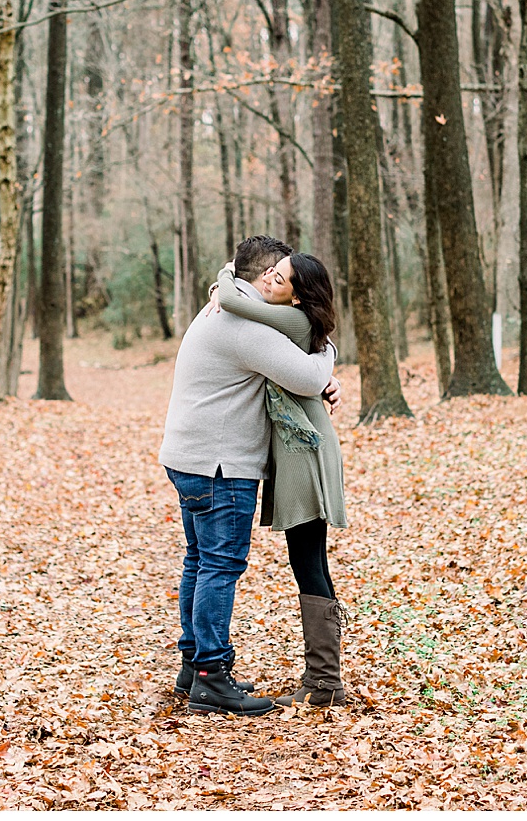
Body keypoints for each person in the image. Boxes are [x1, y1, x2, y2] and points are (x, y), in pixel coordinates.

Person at [157, 235, 341, 717]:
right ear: (261, 279)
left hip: (188, 456)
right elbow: (304, 376)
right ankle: (211, 677)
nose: (282, 280)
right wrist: (329, 360)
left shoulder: (222, 306)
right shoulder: (243, 323)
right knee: (219, 565)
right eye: (277, 273)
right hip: (219, 464)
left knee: (199, 561)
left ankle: (193, 665)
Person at [211, 251, 349, 707]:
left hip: (305, 453)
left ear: (298, 295)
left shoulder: (290, 320)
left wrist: (226, 274)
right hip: (304, 446)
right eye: (271, 271)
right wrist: (328, 371)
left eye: (281, 277)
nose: (270, 279)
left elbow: (234, 300)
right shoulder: (297, 325)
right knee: (308, 559)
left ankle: (326, 682)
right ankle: (324, 677)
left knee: (308, 561)